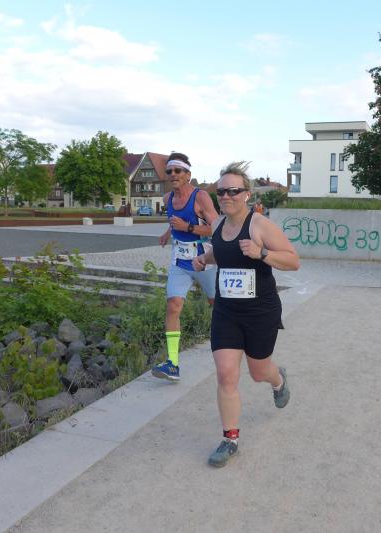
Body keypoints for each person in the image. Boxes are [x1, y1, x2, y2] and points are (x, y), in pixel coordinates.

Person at [192, 161, 300, 467]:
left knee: (258, 372)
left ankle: (278, 380)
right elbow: (220, 252)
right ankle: (230, 440)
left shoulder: (260, 226)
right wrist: (204, 259)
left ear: (247, 194)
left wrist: (261, 253)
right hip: (226, 311)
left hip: (260, 312)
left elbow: (293, 261)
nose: (226, 196)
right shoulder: (216, 225)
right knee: (226, 374)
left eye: (233, 191)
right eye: (221, 191)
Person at [152, 152, 220, 381]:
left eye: (178, 171)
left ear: (188, 174)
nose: (173, 174)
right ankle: (172, 363)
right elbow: (175, 221)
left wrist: (188, 227)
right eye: (169, 171)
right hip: (179, 262)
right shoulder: (167, 199)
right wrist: (168, 231)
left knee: (217, 305)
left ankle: (234, 340)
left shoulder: (201, 197)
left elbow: (218, 228)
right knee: (173, 305)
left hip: (204, 261)